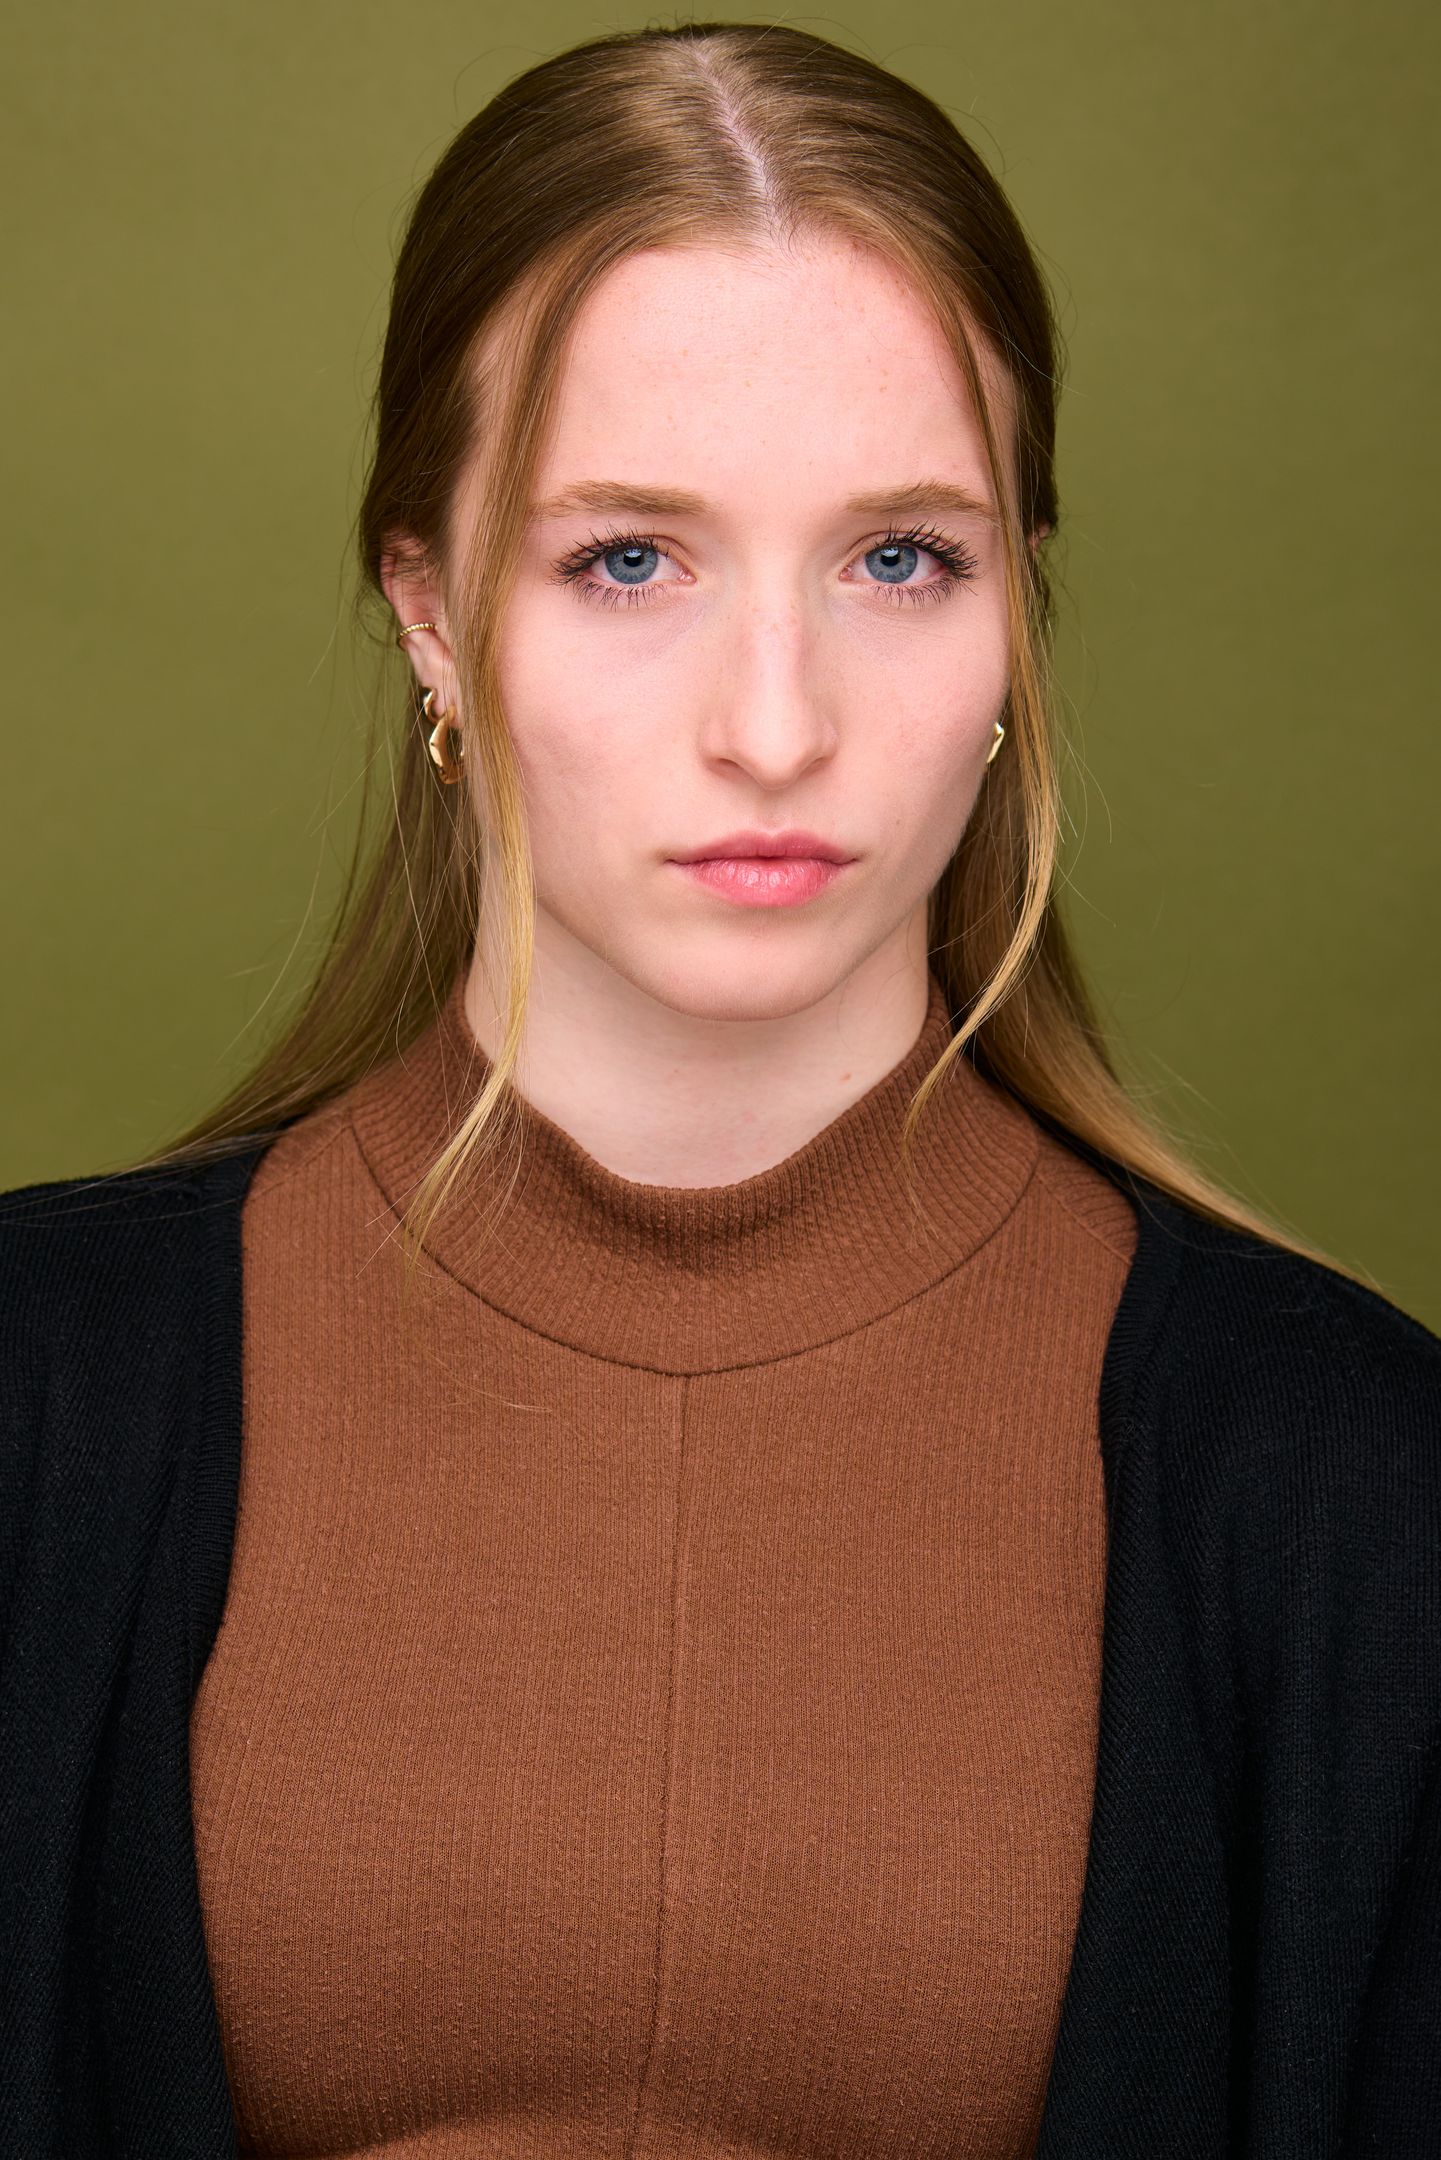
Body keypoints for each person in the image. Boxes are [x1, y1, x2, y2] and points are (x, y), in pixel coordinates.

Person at [2, 21, 1437, 2160]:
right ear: (428, 612)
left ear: (1015, 621)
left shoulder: (1358, 1490)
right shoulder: (36, 1403)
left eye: (899, 559)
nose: (775, 725)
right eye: (627, 560)